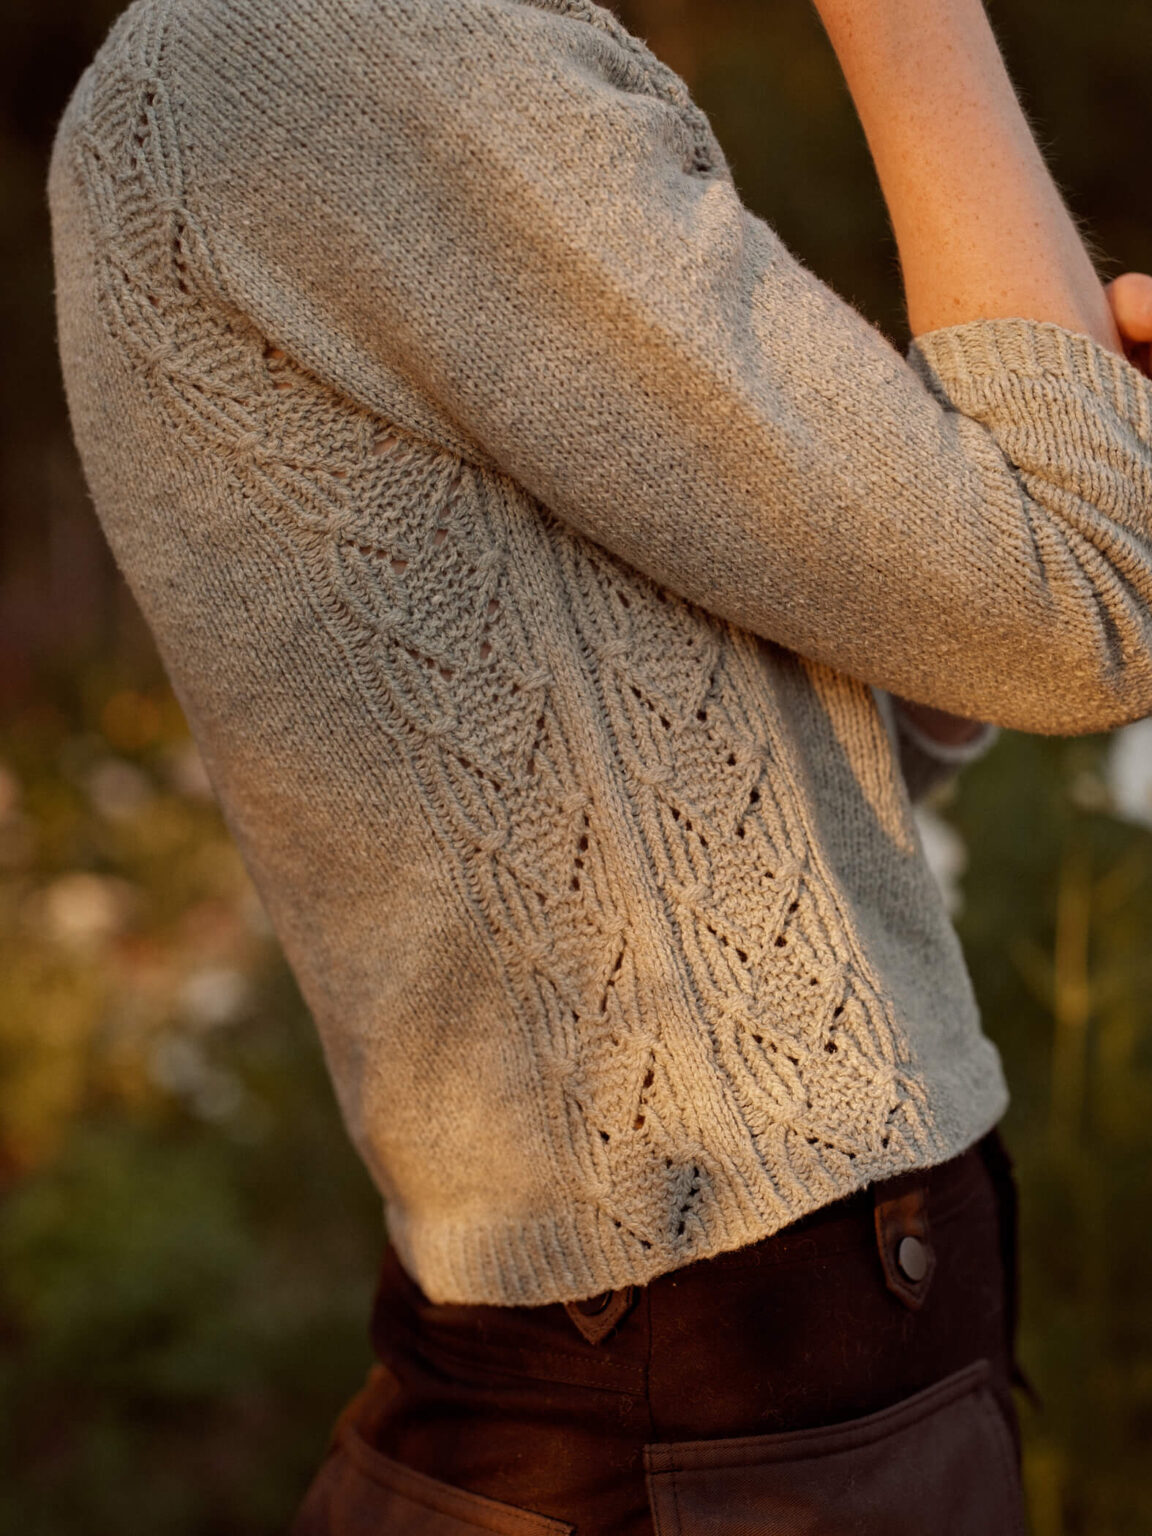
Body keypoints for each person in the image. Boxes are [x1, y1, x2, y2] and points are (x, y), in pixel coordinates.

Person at [48, 0, 1152, 1529]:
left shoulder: (282, 64)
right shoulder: (351, 46)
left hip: (702, 1373)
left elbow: (707, 791)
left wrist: (956, 562)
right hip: (724, 1393)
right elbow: (1083, 600)